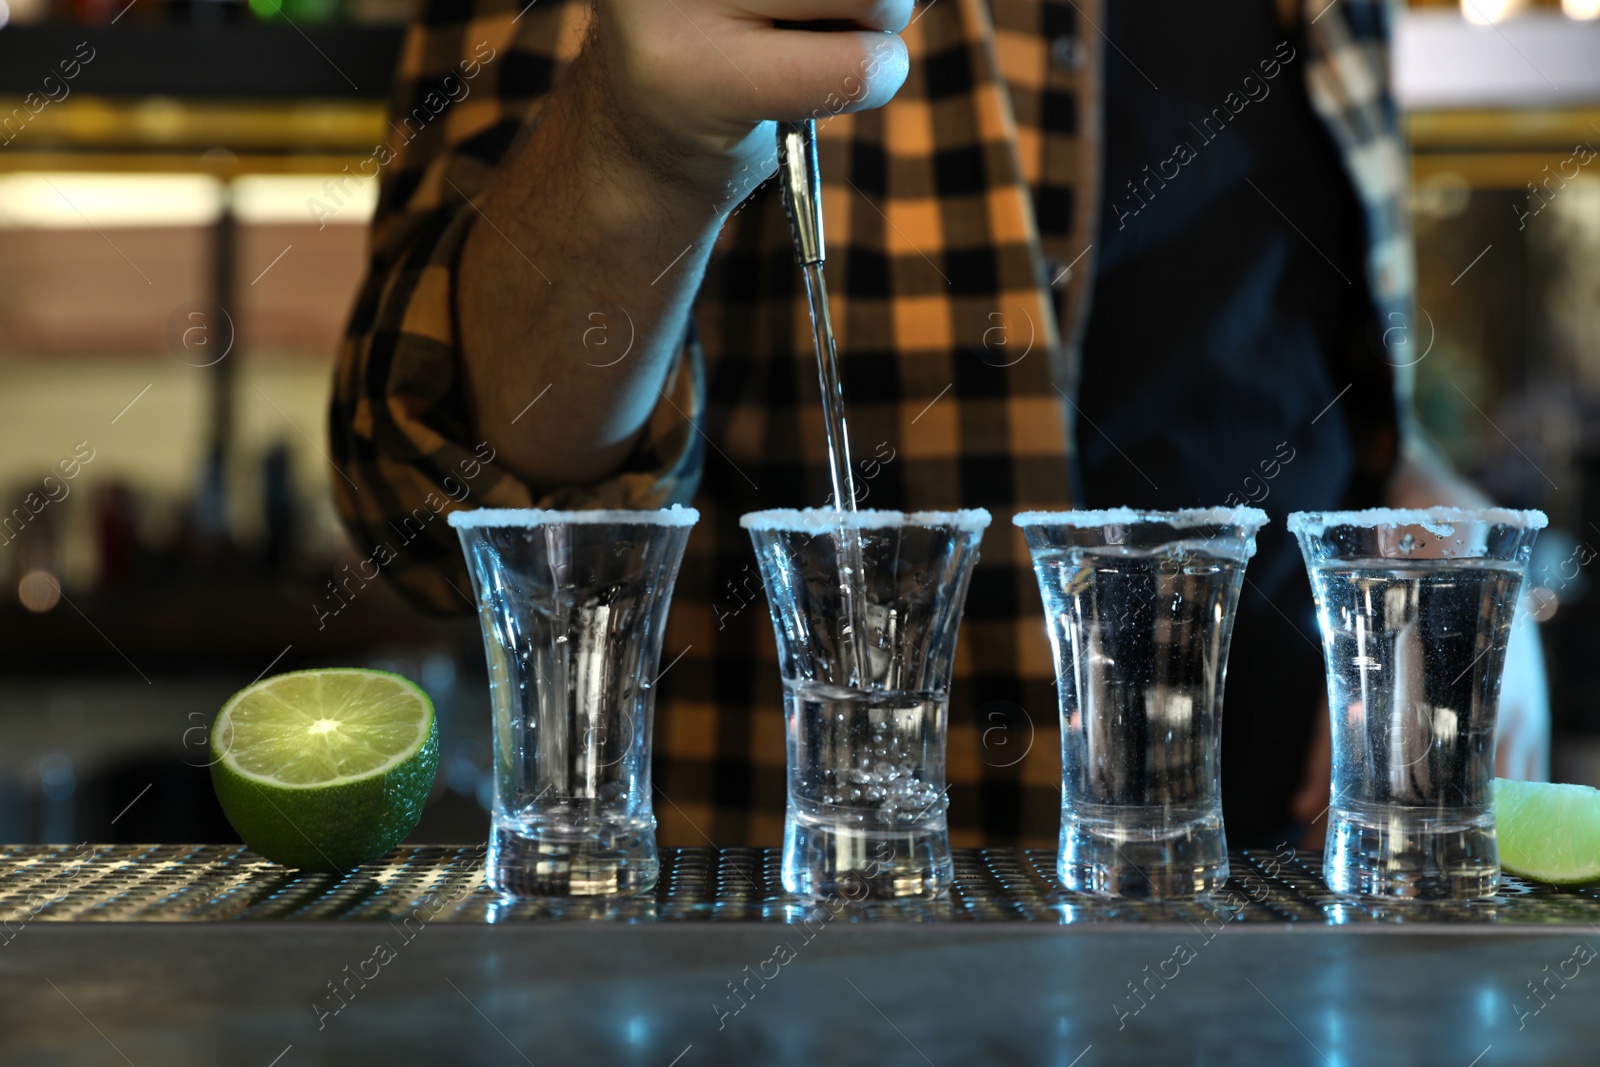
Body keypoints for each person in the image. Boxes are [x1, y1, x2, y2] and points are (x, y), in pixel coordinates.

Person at [330, 0, 1548, 849]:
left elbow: (1288, 362)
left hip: (1282, 906)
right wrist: (642, 151)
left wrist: (1433, 521)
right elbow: (426, 488)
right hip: (811, 954)